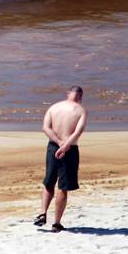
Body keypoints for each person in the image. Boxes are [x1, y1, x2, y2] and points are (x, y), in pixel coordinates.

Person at [33, 86, 88, 232]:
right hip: (69, 150)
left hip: (53, 147)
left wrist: (58, 143)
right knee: (63, 187)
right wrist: (65, 146)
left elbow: (45, 128)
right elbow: (78, 132)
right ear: (80, 96)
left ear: (68, 94)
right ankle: (56, 223)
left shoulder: (54, 107)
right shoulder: (81, 110)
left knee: (48, 181)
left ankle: (42, 213)